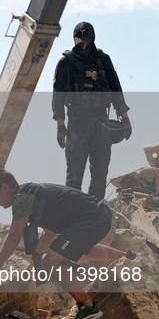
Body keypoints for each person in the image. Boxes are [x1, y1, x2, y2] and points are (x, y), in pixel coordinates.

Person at [0, 168, 136, 319]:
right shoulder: (34, 192)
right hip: (100, 215)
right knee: (73, 252)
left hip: (91, 218)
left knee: (50, 260)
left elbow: (14, 235)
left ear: (5, 187)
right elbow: (50, 232)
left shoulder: (21, 198)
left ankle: (87, 307)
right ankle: (129, 258)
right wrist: (36, 251)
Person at [52, 21, 131, 199]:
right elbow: (58, 98)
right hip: (77, 125)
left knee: (99, 174)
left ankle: (93, 217)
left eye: (86, 41)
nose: (83, 45)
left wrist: (125, 119)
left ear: (92, 39)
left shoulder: (103, 60)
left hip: (101, 124)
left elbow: (116, 90)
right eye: (80, 41)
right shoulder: (66, 63)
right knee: (74, 177)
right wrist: (60, 127)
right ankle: (72, 217)